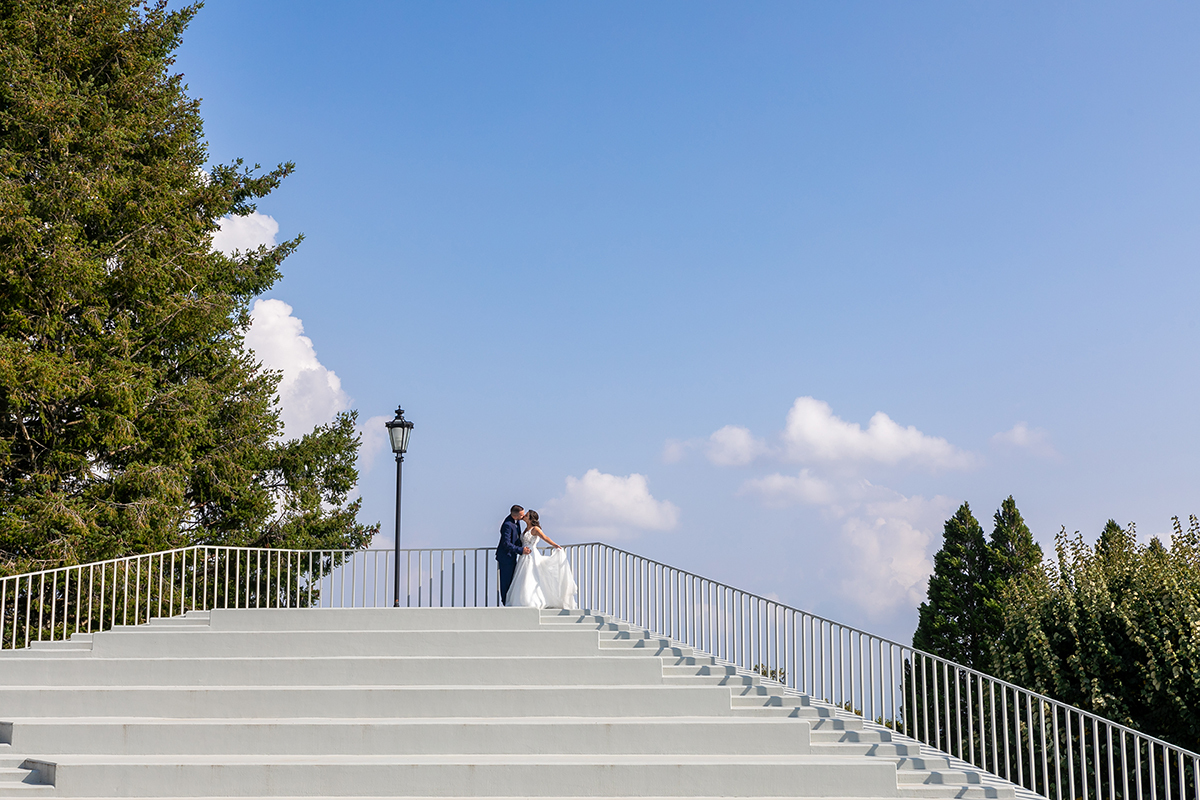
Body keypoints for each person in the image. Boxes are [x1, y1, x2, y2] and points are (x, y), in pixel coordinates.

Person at [506, 509, 577, 609]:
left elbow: (545, 537)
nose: (524, 516)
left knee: (530, 576)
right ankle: (521, 600)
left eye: (526, 515)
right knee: (522, 577)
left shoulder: (535, 529)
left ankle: (531, 600)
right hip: (524, 555)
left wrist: (555, 545)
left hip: (531, 554)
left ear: (530, 518)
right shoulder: (525, 529)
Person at [496, 505, 529, 605]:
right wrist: (520, 550)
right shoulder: (507, 525)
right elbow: (506, 543)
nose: (523, 517)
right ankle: (506, 602)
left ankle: (511, 601)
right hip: (506, 557)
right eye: (522, 515)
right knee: (506, 581)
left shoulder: (516, 522)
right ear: (516, 515)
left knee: (512, 580)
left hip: (512, 556)